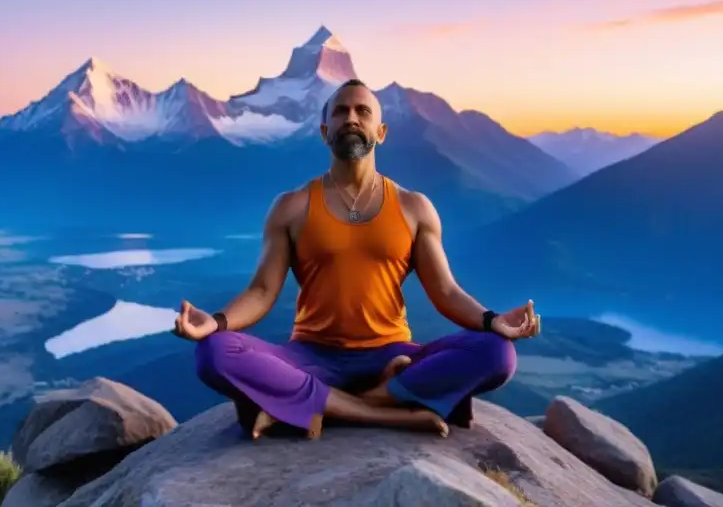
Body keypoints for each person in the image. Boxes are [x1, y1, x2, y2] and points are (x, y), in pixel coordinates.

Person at [172, 78, 540, 440]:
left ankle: (314, 405)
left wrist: (493, 322)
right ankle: (385, 410)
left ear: (380, 132)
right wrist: (216, 323)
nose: (351, 118)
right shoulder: (292, 206)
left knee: (497, 354)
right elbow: (263, 291)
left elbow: (445, 290)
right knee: (214, 352)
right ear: (323, 131)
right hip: (312, 357)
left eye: (362, 111)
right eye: (341, 111)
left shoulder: (413, 207)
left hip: (392, 353)